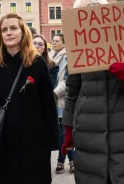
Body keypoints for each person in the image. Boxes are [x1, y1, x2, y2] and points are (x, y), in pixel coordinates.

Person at [62, 0, 124, 184]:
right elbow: (72, 92)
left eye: (96, 9)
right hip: (89, 132)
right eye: (85, 12)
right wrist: (69, 128)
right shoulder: (77, 47)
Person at [0, 13, 59, 184]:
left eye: (13, 28)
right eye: (4, 29)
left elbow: (48, 104)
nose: (8, 33)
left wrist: (50, 140)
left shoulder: (36, 62)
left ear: (23, 32)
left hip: (32, 141)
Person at [49, 33, 74, 174]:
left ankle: (61, 161)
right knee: (61, 133)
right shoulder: (50, 57)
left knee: (63, 133)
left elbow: (68, 80)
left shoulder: (67, 58)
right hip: (52, 101)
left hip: (61, 100)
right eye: (53, 40)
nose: (54, 43)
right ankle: (71, 160)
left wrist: (55, 93)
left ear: (64, 43)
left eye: (57, 41)